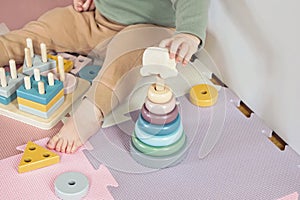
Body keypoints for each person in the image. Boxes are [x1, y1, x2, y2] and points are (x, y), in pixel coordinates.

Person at [0, 0, 210, 153]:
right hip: (97, 20)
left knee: (122, 63)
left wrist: (188, 33)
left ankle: (92, 111)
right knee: (45, 28)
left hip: (150, 28)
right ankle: (5, 46)